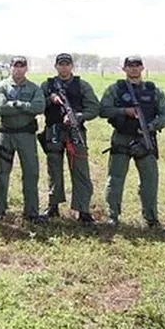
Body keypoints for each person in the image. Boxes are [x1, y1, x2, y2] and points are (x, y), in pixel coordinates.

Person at [99, 55, 165, 228]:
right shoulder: (115, 89)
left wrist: (151, 126)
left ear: (142, 68)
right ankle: (113, 216)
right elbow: (103, 110)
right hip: (121, 138)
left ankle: (151, 219)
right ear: (124, 69)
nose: (133, 68)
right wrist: (125, 111)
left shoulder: (154, 90)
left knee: (150, 181)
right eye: (130, 65)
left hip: (145, 140)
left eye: (137, 65)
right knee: (115, 180)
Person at [39, 53, 100, 223]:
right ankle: (53, 206)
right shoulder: (47, 85)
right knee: (54, 170)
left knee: (80, 170)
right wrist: (50, 99)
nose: (64, 67)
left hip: (75, 132)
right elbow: (37, 105)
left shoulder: (82, 85)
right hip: (53, 131)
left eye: (67, 64)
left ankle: (83, 209)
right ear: (56, 66)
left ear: (72, 66)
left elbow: (95, 108)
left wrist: (78, 116)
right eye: (61, 64)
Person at [0, 56, 46, 222]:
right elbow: (1, 107)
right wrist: (25, 107)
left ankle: (31, 211)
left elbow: (39, 107)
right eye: (16, 66)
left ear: (26, 69)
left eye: (22, 66)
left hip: (26, 136)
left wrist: (15, 104)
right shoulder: (1, 86)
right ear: (10, 67)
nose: (19, 69)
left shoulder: (34, 88)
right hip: (6, 135)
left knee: (31, 172)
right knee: (2, 172)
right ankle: (0, 209)